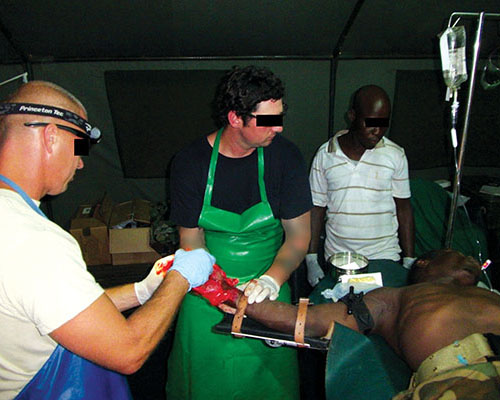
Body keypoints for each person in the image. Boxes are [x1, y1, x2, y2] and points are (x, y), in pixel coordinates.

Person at [0, 81, 215, 400]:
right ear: (51, 136)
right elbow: (129, 351)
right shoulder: (33, 239)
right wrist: (180, 277)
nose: (81, 163)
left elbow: (60, 311)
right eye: (80, 147)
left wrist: (142, 291)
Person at [167, 65, 312, 399]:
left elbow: (299, 236)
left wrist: (271, 280)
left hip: (268, 293)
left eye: (280, 116)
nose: (278, 127)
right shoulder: (190, 163)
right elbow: (191, 244)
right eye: (267, 121)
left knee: (270, 384)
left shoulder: (285, 156)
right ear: (235, 118)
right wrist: (222, 295)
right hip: (205, 291)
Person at [218, 249, 500, 398]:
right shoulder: (393, 299)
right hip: (468, 378)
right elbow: (308, 321)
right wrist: (233, 294)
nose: (470, 259)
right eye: (458, 255)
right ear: (425, 263)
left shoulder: (489, 294)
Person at [306, 85, 415, 287]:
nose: (378, 131)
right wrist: (311, 258)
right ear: (352, 116)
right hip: (339, 258)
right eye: (371, 123)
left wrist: (409, 258)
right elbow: (316, 207)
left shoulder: (395, 154)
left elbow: (404, 208)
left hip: (384, 256)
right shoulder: (325, 155)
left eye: (383, 124)